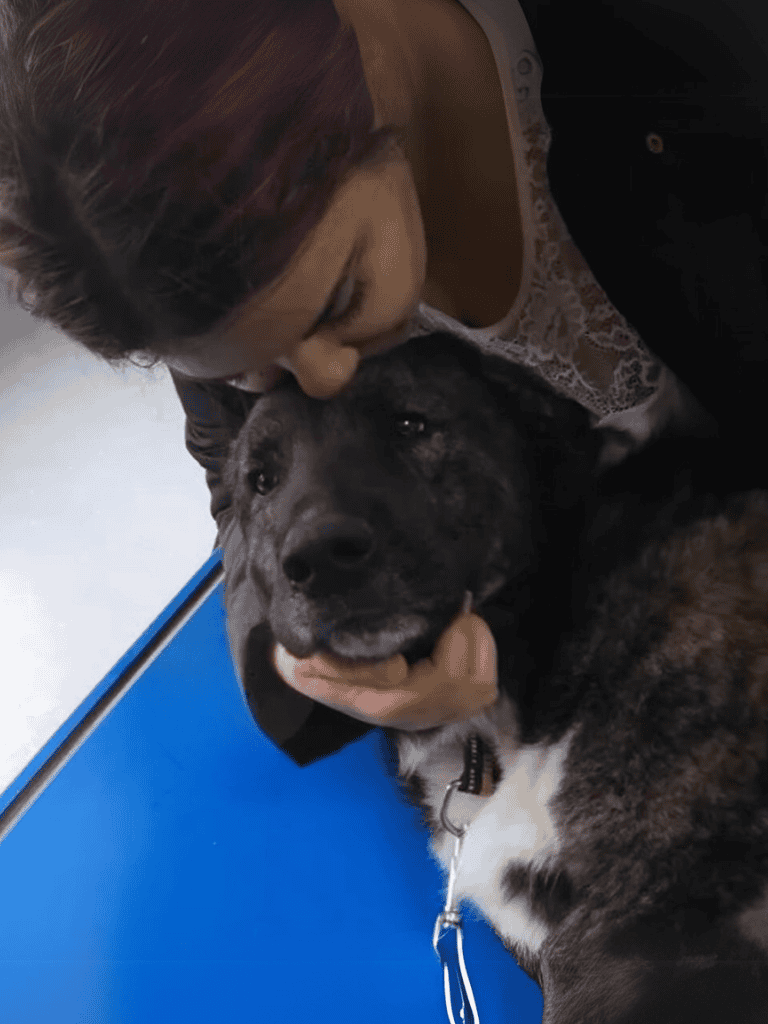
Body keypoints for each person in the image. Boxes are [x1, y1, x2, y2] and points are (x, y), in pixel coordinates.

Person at [0, 0, 765, 765]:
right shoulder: (182, 247)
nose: (323, 380)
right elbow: (234, 474)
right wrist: (303, 657)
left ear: (362, 79)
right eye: (247, 371)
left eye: (341, 299)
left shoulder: (699, 70)